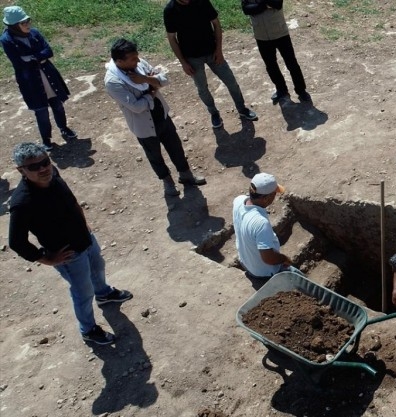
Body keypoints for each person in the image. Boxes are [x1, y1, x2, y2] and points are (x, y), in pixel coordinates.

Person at [8, 142, 133, 346]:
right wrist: (47, 259)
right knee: (82, 291)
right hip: (68, 255)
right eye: (34, 167)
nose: (42, 169)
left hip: (85, 239)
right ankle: (88, 329)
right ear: (21, 170)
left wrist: (84, 223)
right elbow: (16, 242)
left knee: (98, 267)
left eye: (44, 162)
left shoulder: (53, 174)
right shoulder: (22, 202)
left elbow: (71, 199)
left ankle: (104, 294)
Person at [104, 38, 206, 197]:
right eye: (132, 59)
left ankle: (186, 175)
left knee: (175, 147)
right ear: (119, 61)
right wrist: (152, 88)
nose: (137, 60)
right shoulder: (113, 82)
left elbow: (164, 79)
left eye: (136, 56)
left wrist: (145, 80)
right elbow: (136, 107)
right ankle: (168, 182)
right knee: (154, 155)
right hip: (143, 124)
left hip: (161, 114)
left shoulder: (139, 64)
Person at [164, 0, 258, 129]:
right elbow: (172, 38)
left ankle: (242, 108)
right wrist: (183, 63)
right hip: (192, 58)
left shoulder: (201, 2)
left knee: (231, 82)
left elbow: (216, 24)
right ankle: (214, 113)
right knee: (202, 88)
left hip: (213, 52)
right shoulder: (170, 10)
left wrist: (219, 50)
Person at [1, 6, 78, 152]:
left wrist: (32, 57)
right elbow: (19, 63)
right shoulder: (7, 40)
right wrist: (39, 57)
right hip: (31, 82)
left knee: (58, 106)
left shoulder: (34, 33)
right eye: (23, 23)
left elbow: (48, 51)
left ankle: (64, 128)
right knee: (41, 112)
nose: (27, 24)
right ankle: (46, 140)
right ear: (14, 26)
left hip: (48, 75)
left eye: (27, 20)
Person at [241, 0, 311, 105]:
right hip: (261, 36)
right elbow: (246, 9)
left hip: (280, 33)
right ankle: (281, 90)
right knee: (271, 66)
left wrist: (257, 6)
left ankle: (301, 90)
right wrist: (265, 4)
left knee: (291, 63)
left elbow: (277, 4)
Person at [233, 173, 300, 280]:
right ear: (266, 198)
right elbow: (269, 258)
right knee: (302, 280)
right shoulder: (260, 223)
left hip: (247, 263)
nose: (275, 197)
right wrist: (284, 258)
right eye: (274, 194)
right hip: (264, 272)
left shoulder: (238, 200)